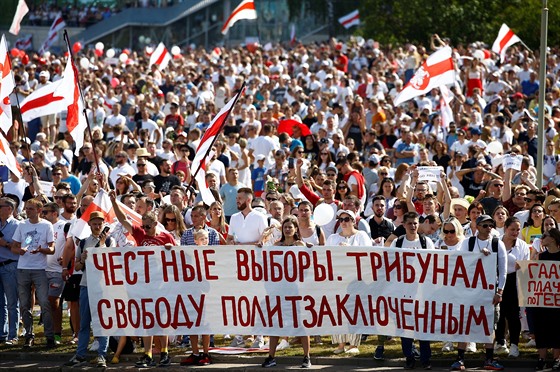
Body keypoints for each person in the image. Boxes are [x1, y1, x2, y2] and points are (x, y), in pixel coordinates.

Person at [109, 190, 176, 368]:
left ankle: (164, 353)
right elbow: (123, 219)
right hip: (144, 284)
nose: (145, 230)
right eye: (143, 226)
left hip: (161, 285)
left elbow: (179, 258)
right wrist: (113, 201)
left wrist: (171, 248)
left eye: (148, 227)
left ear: (155, 224)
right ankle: (147, 354)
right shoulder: (140, 234)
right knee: (147, 320)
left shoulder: (165, 237)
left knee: (161, 320)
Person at [453, 214, 507, 371]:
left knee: (489, 324)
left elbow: (502, 270)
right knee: (465, 323)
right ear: (477, 227)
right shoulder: (468, 243)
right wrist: (477, 256)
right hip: (470, 290)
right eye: (485, 225)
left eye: (491, 225)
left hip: (490, 291)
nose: (489, 228)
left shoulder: (498, 244)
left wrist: (500, 291)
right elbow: (460, 263)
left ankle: (489, 359)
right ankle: (460, 359)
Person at [261, 216, 311, 369]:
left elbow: (308, 265)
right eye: (285, 227)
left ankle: (306, 357)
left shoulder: (300, 245)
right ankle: (271, 357)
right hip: (279, 290)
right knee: (275, 324)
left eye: (290, 227)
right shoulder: (277, 245)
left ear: (296, 229)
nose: (288, 229)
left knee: (301, 324)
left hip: (296, 290)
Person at [64, 211, 112, 368]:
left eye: (100, 224)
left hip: (104, 286)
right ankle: (81, 354)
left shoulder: (110, 241)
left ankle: (101, 355)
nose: (97, 226)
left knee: (103, 322)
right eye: (95, 223)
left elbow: (113, 262)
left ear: (103, 224)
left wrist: (103, 245)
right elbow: (76, 266)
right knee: (85, 322)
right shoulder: (83, 242)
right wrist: (83, 260)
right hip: (86, 284)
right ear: (90, 225)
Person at [390, 211, 433, 369]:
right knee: (405, 325)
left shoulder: (425, 242)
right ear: (404, 225)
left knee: (423, 324)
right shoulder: (398, 243)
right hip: (404, 290)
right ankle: (409, 356)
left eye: (416, 223)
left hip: (422, 290)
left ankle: (426, 358)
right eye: (410, 223)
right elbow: (391, 266)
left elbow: (433, 264)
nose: (413, 226)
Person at [11, 198, 55, 348]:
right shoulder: (22, 225)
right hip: (23, 268)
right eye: (26, 208)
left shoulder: (46, 225)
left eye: (30, 208)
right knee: (24, 304)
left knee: (44, 302)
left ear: (39, 210)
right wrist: (20, 251)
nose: (27, 210)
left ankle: (49, 335)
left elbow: (52, 248)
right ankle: (28, 335)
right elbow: (14, 247)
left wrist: (41, 250)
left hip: (40, 269)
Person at [326, 210, 370, 355]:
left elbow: (368, 256)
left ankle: (353, 344)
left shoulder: (361, 236)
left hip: (356, 279)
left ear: (353, 221)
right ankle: (340, 344)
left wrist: (349, 251)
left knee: (354, 310)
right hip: (338, 279)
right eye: (341, 219)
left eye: (347, 219)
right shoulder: (332, 238)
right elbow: (326, 257)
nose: (343, 222)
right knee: (338, 310)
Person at [179, 229, 215, 367]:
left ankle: (206, 353)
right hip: (192, 293)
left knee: (205, 325)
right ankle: (195, 353)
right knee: (193, 324)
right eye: (201, 238)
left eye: (206, 238)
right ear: (195, 240)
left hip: (207, 294)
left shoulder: (213, 254)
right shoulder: (190, 254)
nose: (204, 241)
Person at [495, 217, 529, 358]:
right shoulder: (495, 243)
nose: (515, 232)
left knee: (514, 315)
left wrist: (521, 266)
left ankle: (514, 345)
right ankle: (501, 342)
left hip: (514, 281)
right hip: (497, 281)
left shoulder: (522, 245)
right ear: (505, 229)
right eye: (512, 229)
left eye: (517, 230)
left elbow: (526, 265)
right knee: (499, 314)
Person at [533, 228, 560, 370]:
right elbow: (532, 275)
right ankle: (541, 358)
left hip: (557, 300)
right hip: (543, 299)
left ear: (554, 239)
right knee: (542, 328)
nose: (542, 237)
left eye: (545, 235)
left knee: (557, 328)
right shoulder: (541, 256)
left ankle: (557, 359)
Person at [0, 197, 20, 345]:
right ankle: (2, 333)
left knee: (12, 302)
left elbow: (22, 247)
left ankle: (13, 335)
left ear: (9, 209)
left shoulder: (17, 226)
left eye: (0, 206)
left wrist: (5, 244)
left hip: (10, 266)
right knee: (1, 303)